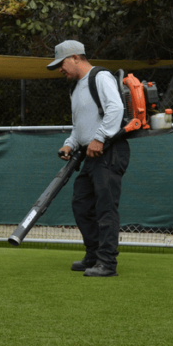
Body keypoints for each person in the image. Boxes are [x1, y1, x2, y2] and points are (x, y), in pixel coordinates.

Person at [48, 40, 130, 277]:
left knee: (106, 208)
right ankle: (93, 256)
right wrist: (69, 144)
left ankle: (107, 263)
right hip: (91, 154)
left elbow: (115, 109)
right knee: (82, 204)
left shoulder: (100, 77)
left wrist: (100, 138)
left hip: (109, 151)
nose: (60, 70)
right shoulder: (75, 88)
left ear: (75, 57)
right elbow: (80, 127)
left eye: (61, 64)